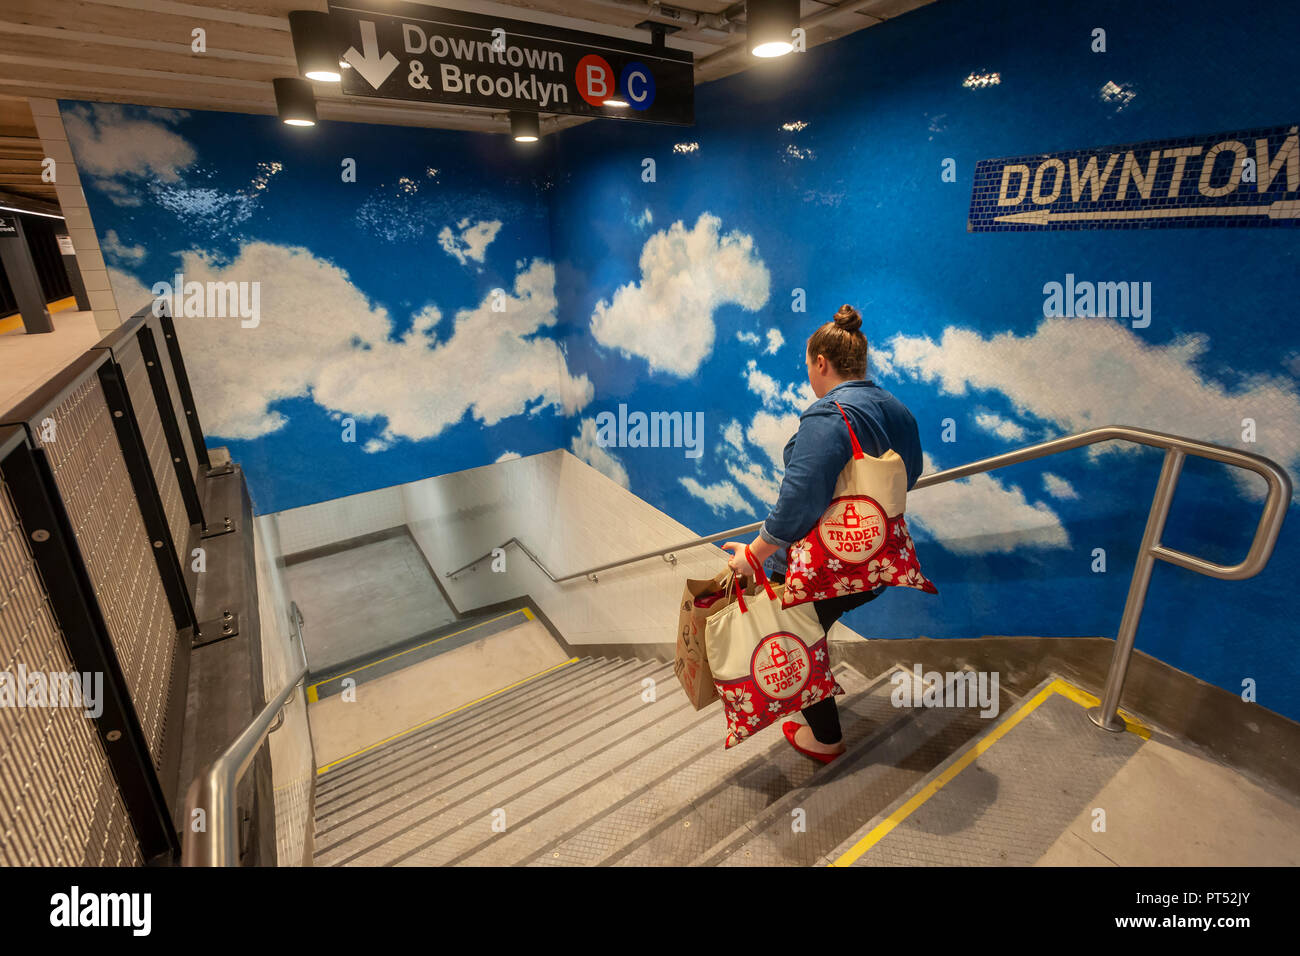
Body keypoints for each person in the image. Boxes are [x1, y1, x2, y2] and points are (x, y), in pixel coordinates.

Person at [722, 304, 923, 760]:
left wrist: (753, 555)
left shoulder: (827, 416)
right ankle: (822, 715)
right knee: (811, 628)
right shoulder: (898, 411)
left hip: (822, 569)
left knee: (792, 637)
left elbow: (797, 502)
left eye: (808, 365)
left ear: (820, 362)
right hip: (874, 561)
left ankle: (827, 739)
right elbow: (908, 475)